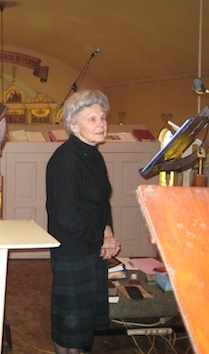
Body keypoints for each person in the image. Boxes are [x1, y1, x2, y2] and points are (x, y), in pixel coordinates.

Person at [46, 89, 121, 354]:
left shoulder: (94, 154)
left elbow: (102, 201)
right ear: (73, 125)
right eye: (93, 119)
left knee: (83, 322)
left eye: (102, 118)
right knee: (70, 325)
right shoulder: (65, 160)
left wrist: (109, 231)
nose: (101, 124)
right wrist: (102, 238)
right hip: (72, 249)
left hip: (92, 245)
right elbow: (66, 218)